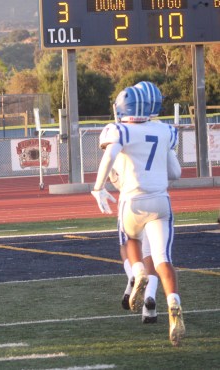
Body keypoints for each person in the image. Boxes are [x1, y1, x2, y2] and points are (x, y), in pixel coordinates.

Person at [91, 86, 185, 346]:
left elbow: (110, 154)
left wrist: (97, 188)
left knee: (131, 240)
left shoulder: (119, 130)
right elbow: (175, 172)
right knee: (163, 258)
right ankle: (173, 301)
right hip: (160, 201)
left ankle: (138, 273)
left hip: (132, 200)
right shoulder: (165, 130)